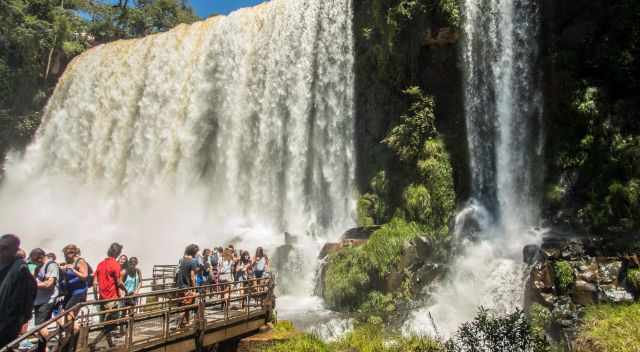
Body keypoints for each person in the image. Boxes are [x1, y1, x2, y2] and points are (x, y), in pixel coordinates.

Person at [0, 234, 37, 348]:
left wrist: (20, 319)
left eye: (5, 248)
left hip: (6, 325)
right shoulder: (5, 266)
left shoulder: (21, 269)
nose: (1, 250)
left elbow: (25, 298)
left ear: (14, 250)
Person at [91, 243, 126, 348]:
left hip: (102, 298)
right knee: (112, 324)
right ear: (118, 253)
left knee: (107, 323)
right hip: (112, 298)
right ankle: (94, 343)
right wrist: (127, 291)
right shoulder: (115, 265)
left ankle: (110, 343)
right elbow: (119, 283)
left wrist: (96, 297)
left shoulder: (100, 264)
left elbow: (94, 283)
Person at [33, 247, 60, 351]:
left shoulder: (51, 265)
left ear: (40, 257)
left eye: (34, 260)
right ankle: (44, 349)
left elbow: (50, 283)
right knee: (39, 328)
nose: (34, 263)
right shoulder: (39, 267)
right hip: (39, 301)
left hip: (47, 300)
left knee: (40, 327)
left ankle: (49, 348)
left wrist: (33, 284)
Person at [60, 244, 89, 310]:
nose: (69, 254)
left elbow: (85, 276)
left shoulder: (80, 261)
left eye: (71, 252)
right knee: (63, 311)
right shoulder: (67, 262)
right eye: (67, 253)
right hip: (70, 292)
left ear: (75, 252)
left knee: (69, 312)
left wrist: (73, 270)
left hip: (79, 291)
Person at [176, 244, 199, 327]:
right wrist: (194, 289)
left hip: (180, 286)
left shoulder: (182, 260)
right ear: (194, 252)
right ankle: (178, 325)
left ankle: (187, 322)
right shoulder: (193, 261)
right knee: (186, 306)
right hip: (187, 287)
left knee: (185, 305)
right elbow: (192, 277)